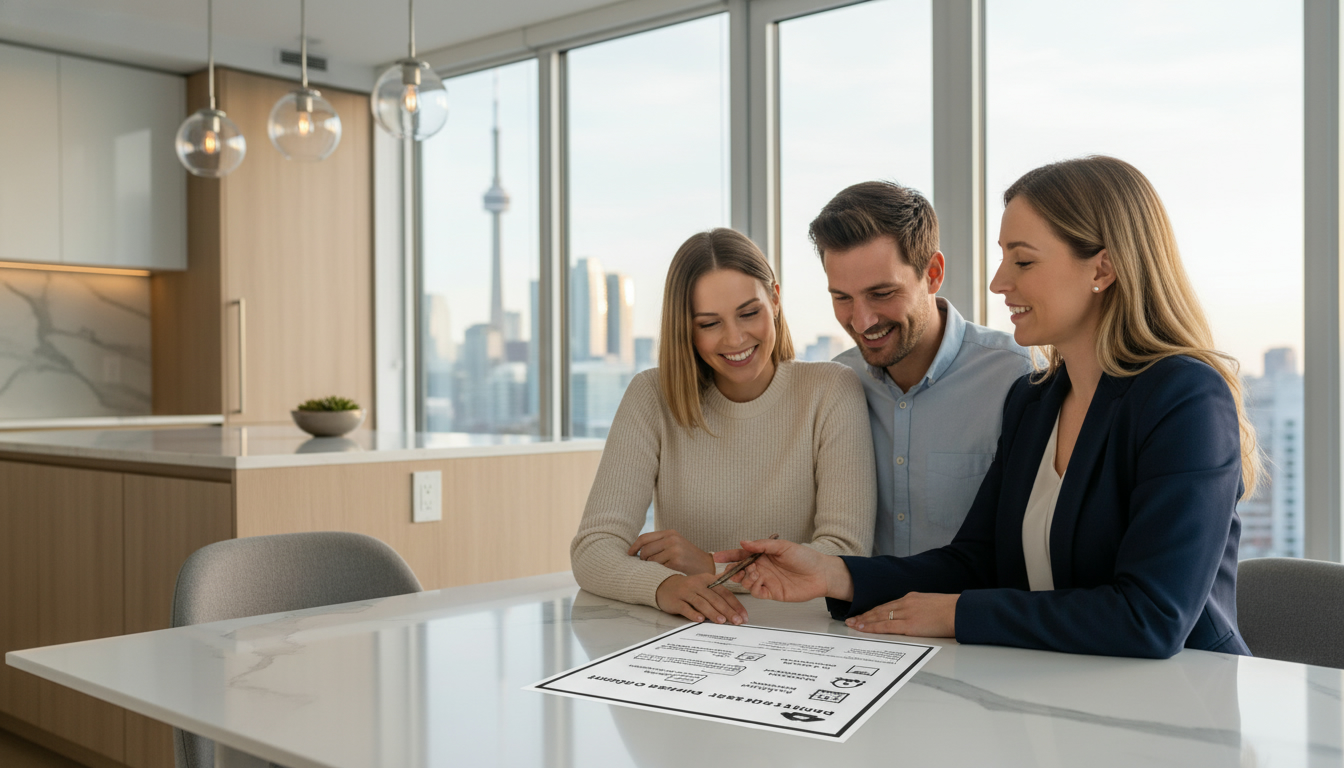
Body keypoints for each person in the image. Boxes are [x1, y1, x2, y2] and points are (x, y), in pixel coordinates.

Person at [716, 157, 1259, 659]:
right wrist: (833, 574)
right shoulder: (1036, 398)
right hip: (1070, 689)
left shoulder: (1186, 397)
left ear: (1104, 268)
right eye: (1003, 258)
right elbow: (977, 559)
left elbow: (1152, 617)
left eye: (1022, 260)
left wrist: (955, 613)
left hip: (1187, 703)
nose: (999, 282)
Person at [571, 228, 876, 626]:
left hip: (803, 634)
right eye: (709, 323)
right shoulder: (651, 395)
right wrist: (663, 587)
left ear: (776, 300)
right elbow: (593, 548)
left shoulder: (831, 389)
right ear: (687, 328)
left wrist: (710, 566)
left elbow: (843, 555)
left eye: (749, 313)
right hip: (689, 635)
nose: (735, 338)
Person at [812, 182, 1032, 557]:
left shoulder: (1015, 376)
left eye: (882, 293)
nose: (862, 321)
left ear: (932, 273)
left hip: (963, 614)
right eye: (842, 298)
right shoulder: (838, 384)